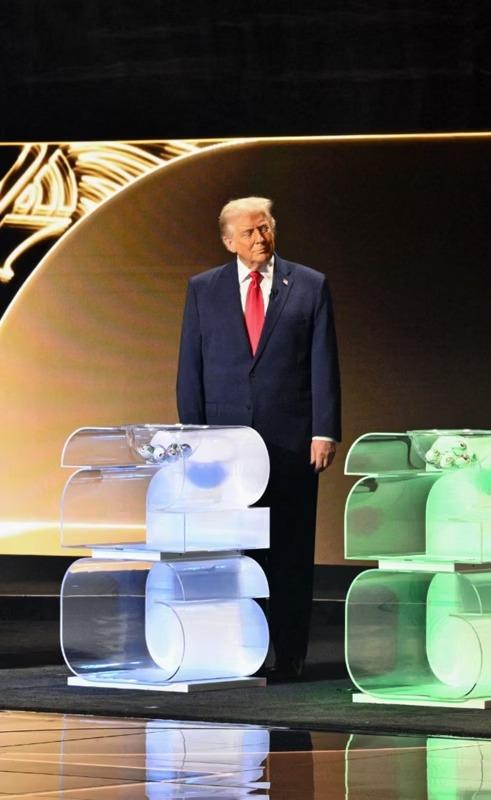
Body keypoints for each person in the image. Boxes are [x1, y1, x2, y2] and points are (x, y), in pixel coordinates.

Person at [176, 196, 341, 681]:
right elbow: (192, 369)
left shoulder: (309, 286)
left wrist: (324, 430)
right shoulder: (203, 289)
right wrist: (194, 438)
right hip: (225, 448)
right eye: (248, 232)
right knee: (235, 550)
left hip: (291, 443)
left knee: (289, 549)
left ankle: (290, 654)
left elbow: (322, 363)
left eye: (265, 228)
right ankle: (243, 649)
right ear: (229, 241)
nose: (259, 238)